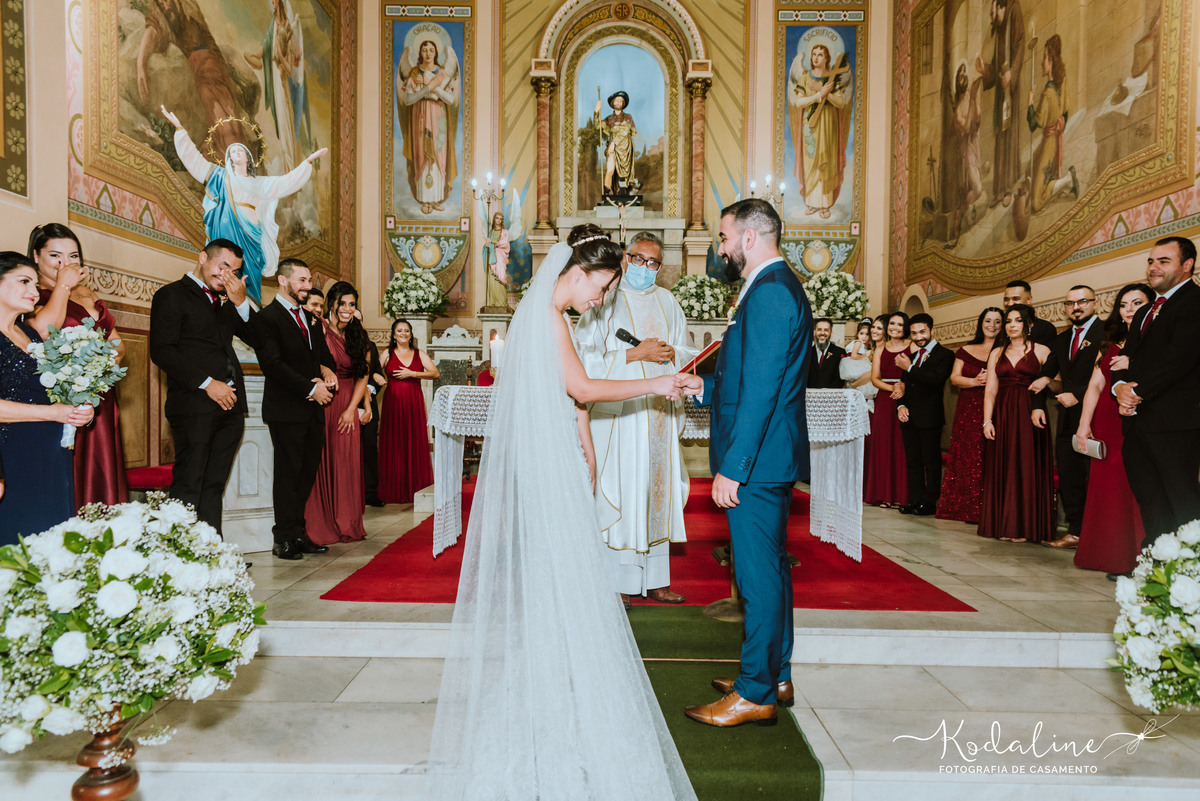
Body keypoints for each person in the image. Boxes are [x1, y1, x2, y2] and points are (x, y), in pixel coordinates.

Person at [425, 224, 695, 799]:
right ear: (581, 272)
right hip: (547, 463)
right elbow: (585, 388)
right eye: (603, 286)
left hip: (564, 456)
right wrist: (660, 381)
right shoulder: (545, 317)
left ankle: (563, 684)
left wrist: (589, 449)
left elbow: (570, 400)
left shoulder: (548, 314)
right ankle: (556, 696)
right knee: (563, 582)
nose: (601, 299)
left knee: (569, 581)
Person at [675, 199, 810, 728]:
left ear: (751, 237)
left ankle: (755, 692)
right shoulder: (767, 288)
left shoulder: (772, 292)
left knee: (756, 577)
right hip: (767, 456)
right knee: (771, 569)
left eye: (726, 237)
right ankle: (774, 673)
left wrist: (735, 466)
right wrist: (704, 386)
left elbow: (761, 393)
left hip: (757, 461)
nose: (721, 247)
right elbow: (748, 379)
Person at [575, 231, 699, 608]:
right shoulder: (601, 299)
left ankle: (657, 581)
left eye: (654, 263)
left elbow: (684, 348)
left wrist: (669, 355)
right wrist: (633, 355)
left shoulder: (668, 301)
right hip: (619, 420)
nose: (646, 268)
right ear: (625, 257)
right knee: (623, 494)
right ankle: (616, 582)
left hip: (658, 417)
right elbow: (583, 362)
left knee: (654, 496)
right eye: (639, 259)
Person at [162, 106, 327, 305]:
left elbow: (285, 183)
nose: (237, 153)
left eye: (241, 150)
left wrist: (307, 162)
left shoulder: (259, 183)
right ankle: (221, 303)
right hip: (225, 228)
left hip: (252, 232)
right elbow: (194, 161)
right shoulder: (220, 176)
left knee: (249, 272)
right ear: (229, 157)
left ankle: (249, 309)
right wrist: (180, 131)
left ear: (248, 157)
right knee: (226, 267)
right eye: (233, 151)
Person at [150, 239, 256, 536]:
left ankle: (212, 554)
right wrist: (208, 385)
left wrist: (241, 302)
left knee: (214, 485)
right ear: (202, 258)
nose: (227, 275)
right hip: (193, 405)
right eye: (223, 266)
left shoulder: (226, 302)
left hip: (231, 408)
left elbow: (259, 337)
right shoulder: (171, 295)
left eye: (234, 271)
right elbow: (162, 351)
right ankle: (182, 555)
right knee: (190, 481)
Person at [28, 223, 129, 508]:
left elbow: (117, 344)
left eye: (73, 257)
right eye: (55, 256)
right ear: (36, 256)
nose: (66, 264)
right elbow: (42, 332)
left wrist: (99, 367)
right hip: (61, 396)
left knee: (101, 468)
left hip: (98, 393)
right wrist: (62, 285)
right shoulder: (31, 292)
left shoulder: (85, 292)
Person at [0, 252, 94, 545]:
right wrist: (52, 413)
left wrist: (79, 410)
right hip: (10, 456)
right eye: (24, 281)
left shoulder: (29, 333)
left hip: (51, 453)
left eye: (35, 283)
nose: (34, 291)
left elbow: (51, 392)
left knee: (53, 539)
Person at [1113, 236, 1200, 548]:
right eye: (1151, 261)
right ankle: (1159, 573)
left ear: (1187, 265)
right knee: (1151, 502)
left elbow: (1180, 359)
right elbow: (1126, 359)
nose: (1154, 267)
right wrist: (1119, 387)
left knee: (1183, 502)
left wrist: (1136, 393)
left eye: (1164, 261)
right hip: (1139, 424)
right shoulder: (1144, 312)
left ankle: (1193, 576)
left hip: (1175, 425)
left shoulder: (1194, 303)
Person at [251, 258, 337, 560]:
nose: (307, 286)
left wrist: (327, 373)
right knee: (288, 475)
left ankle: (299, 533)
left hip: (313, 409)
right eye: (301, 280)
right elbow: (273, 365)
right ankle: (283, 537)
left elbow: (323, 356)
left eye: (309, 279)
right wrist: (311, 388)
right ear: (283, 281)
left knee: (306, 474)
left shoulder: (311, 319)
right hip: (286, 409)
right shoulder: (268, 318)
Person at [1074, 283, 1151, 578]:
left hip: (1137, 418)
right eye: (1124, 305)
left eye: (1136, 303)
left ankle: (1137, 558)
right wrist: (1084, 424)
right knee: (1107, 489)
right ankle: (1109, 555)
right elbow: (1095, 384)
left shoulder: (1154, 338)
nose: (1129, 310)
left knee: (1133, 487)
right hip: (1107, 421)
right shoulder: (1110, 341)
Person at [978, 304, 1055, 543]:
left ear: (1028, 324)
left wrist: (1044, 380)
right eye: (1008, 321)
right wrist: (987, 420)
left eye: (1017, 320)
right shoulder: (996, 352)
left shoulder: (1041, 350)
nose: (1011, 325)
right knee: (1003, 464)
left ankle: (1025, 526)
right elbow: (990, 389)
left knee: (1027, 465)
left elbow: (1058, 384)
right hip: (1002, 412)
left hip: (1031, 412)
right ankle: (1003, 524)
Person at [1033, 285, 1101, 549]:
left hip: (1097, 418)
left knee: (1095, 476)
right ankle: (1076, 531)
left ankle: (1098, 534)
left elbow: (1108, 376)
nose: (1076, 307)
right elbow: (1044, 374)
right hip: (1066, 420)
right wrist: (1037, 404)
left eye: (1082, 301)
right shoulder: (1062, 340)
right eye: (1070, 303)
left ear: (1096, 303)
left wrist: (1078, 394)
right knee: (1070, 476)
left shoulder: (1106, 333)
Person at [304, 282, 371, 545]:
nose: (346, 309)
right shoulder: (317, 329)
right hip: (323, 402)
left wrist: (351, 410)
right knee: (321, 461)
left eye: (351, 304)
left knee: (346, 464)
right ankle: (321, 524)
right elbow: (307, 359)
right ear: (332, 304)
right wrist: (323, 368)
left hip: (347, 404)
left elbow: (363, 376)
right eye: (342, 303)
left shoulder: (359, 336)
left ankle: (346, 521)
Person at [937, 307, 1001, 523]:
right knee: (968, 455)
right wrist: (975, 381)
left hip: (996, 406)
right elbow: (954, 378)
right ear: (981, 323)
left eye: (997, 321)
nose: (992, 325)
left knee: (990, 454)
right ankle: (965, 507)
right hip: (968, 406)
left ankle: (990, 508)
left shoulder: (1005, 350)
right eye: (988, 321)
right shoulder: (966, 349)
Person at [895, 313, 954, 516]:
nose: (918, 336)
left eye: (922, 332)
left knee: (931, 462)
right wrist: (900, 406)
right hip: (909, 417)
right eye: (914, 333)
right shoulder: (910, 358)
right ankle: (914, 501)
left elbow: (935, 379)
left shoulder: (945, 355)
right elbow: (901, 386)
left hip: (930, 417)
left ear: (931, 330)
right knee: (913, 462)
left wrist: (909, 367)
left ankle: (929, 503)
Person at [377, 318, 438, 505]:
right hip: (393, 402)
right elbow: (373, 371)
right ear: (393, 334)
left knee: (413, 440)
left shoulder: (419, 354)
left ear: (411, 334)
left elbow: (435, 373)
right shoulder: (387, 353)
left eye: (406, 331)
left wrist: (413, 374)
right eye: (400, 331)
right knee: (395, 442)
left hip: (413, 402)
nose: (403, 334)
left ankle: (415, 488)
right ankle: (393, 489)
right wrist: (376, 377)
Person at [398, 36, 460, 214]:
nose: (428, 53)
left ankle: (436, 200)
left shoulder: (442, 74)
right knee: (421, 157)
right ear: (420, 52)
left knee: (439, 157)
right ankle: (425, 200)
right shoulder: (414, 74)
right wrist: (426, 89)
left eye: (431, 50)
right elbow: (408, 99)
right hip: (421, 119)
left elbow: (449, 98)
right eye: (424, 50)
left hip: (439, 120)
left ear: (436, 53)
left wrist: (432, 86)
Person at [788, 43, 851, 219]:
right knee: (811, 163)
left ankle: (825, 205)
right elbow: (799, 103)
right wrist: (818, 95)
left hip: (829, 128)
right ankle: (812, 203)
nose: (816, 57)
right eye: (814, 54)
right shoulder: (805, 77)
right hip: (811, 126)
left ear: (827, 58)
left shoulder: (834, 78)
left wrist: (826, 93)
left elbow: (841, 102)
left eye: (820, 55)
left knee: (827, 164)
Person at [976, 0, 1026, 208]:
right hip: (1001, 90)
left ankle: (1007, 189)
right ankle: (998, 191)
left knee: (1008, 136)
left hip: (1010, 90)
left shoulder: (1014, 10)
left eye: (993, 13)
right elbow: (997, 63)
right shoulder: (1000, 31)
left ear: (1001, 8)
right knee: (1000, 138)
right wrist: (985, 70)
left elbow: (1021, 44)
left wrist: (1011, 74)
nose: (991, 18)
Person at [1026, 34, 1079, 212]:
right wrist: (1060, 126)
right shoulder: (1062, 82)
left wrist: (1030, 103)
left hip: (1050, 142)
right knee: (1029, 169)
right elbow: (1065, 111)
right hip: (1055, 139)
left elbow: (1034, 124)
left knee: (1035, 203)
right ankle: (1057, 183)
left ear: (1051, 61)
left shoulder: (1047, 93)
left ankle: (1068, 182)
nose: (1042, 63)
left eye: (1044, 58)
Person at [863, 312, 910, 507]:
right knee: (882, 445)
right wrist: (894, 388)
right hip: (885, 398)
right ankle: (883, 494)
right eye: (892, 324)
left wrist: (903, 387)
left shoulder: (911, 345)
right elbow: (875, 378)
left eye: (899, 324)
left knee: (901, 446)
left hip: (907, 397)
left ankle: (900, 495)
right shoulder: (881, 348)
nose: (895, 328)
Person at [947, 62, 983, 248]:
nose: (964, 77)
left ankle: (962, 215)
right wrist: (973, 99)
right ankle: (960, 213)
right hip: (965, 151)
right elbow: (968, 127)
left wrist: (975, 100)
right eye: (960, 75)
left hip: (973, 144)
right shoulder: (957, 112)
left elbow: (977, 123)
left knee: (975, 187)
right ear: (957, 82)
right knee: (977, 188)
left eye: (964, 73)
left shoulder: (969, 97)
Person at [592, 91, 638, 195]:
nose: (618, 103)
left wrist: (614, 143)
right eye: (617, 100)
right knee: (610, 169)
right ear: (613, 103)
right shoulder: (609, 119)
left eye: (621, 101)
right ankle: (607, 190)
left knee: (624, 171)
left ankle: (622, 190)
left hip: (624, 147)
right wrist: (596, 111)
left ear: (623, 104)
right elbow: (597, 126)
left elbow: (626, 130)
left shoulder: (628, 117)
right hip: (612, 147)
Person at [362, 334, 386, 507]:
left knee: (369, 450)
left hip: (368, 405)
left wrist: (370, 388)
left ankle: (370, 493)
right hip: (344, 402)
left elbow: (377, 373)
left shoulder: (371, 345)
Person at [1002, 280, 1057, 346]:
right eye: (1006, 299)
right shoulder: (1001, 328)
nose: (1010, 303)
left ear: (1029, 300)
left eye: (1016, 298)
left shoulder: (1045, 329)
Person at [839, 319, 878, 408]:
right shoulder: (858, 342)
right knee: (871, 374)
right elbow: (854, 356)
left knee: (866, 382)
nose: (864, 337)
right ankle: (870, 399)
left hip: (857, 364)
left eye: (867, 334)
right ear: (857, 334)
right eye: (861, 333)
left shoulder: (864, 345)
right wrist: (865, 355)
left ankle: (868, 399)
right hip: (854, 364)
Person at [482, 211, 511, 311]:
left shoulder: (505, 232)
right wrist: (486, 246)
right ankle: (492, 302)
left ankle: (501, 303)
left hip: (500, 257)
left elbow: (504, 244)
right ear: (494, 219)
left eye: (500, 218)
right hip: (491, 258)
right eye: (497, 218)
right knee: (492, 278)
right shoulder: (491, 232)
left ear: (502, 220)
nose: (498, 220)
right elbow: (487, 245)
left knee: (501, 277)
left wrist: (492, 242)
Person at [807, 317, 846, 389]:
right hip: (810, 397)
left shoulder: (840, 352)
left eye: (826, 330)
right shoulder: (807, 353)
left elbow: (840, 379)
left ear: (831, 333)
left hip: (832, 397)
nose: (822, 333)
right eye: (819, 330)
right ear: (814, 332)